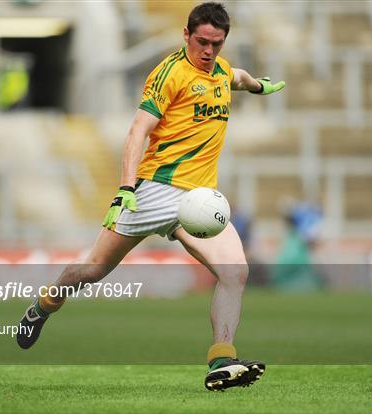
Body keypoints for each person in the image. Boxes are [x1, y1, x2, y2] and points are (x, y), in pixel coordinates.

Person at [16, 2, 285, 391]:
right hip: (154, 192)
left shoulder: (222, 70)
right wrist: (125, 189)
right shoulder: (170, 74)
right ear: (186, 35)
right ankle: (43, 306)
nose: (209, 51)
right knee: (90, 271)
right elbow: (137, 131)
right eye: (202, 42)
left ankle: (221, 360)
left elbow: (236, 78)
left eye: (217, 44)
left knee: (235, 271)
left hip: (199, 201)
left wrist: (260, 85)